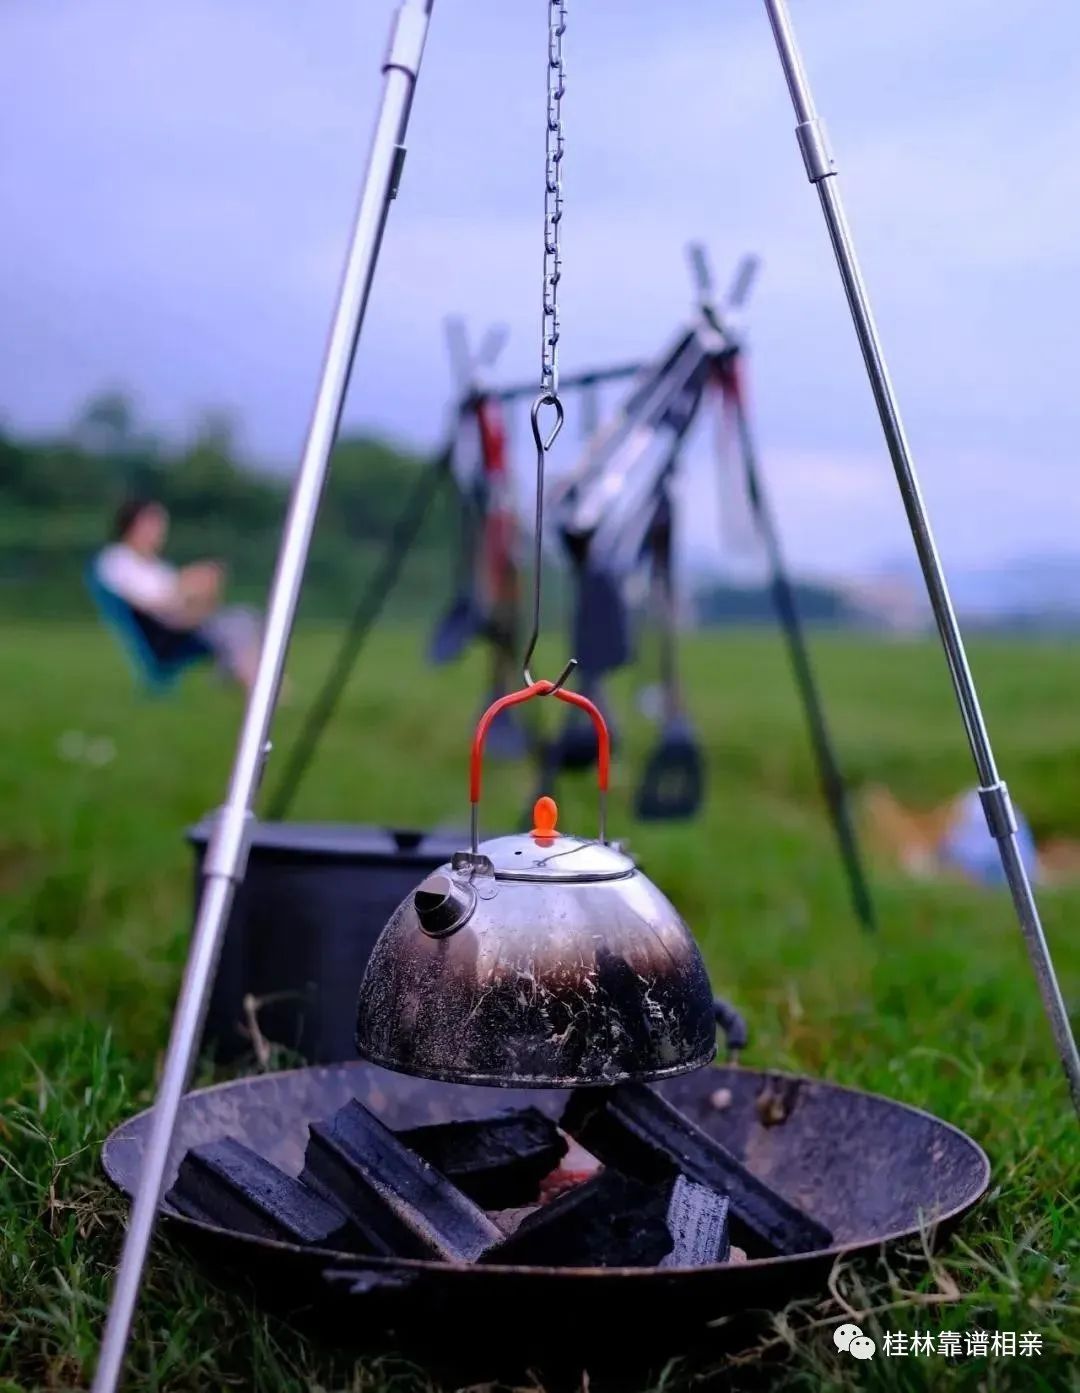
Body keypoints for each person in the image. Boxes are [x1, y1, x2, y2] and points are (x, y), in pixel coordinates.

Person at [95, 498, 263, 690]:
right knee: (237, 624)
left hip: (180, 623)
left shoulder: (157, 567)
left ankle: (242, 676)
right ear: (132, 525)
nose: (160, 530)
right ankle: (251, 682)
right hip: (165, 635)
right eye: (153, 523)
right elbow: (152, 605)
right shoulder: (118, 560)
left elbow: (177, 601)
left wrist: (199, 590)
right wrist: (188, 583)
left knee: (246, 617)